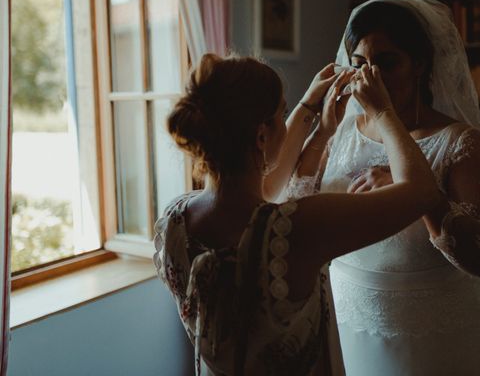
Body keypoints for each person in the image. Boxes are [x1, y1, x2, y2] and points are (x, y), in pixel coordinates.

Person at [153, 52, 445, 375]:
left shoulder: (174, 221)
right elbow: (422, 192)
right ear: (261, 135)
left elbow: (262, 189)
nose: (287, 119)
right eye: (283, 112)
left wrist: (315, 121)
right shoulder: (300, 228)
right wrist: (384, 111)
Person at [288, 0, 480, 375]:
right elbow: (295, 206)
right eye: (360, 64)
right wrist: (318, 132)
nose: (370, 77)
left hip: (430, 341)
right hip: (350, 326)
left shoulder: (457, 142)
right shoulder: (342, 131)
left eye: (387, 62)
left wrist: (416, 194)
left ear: (420, 64)